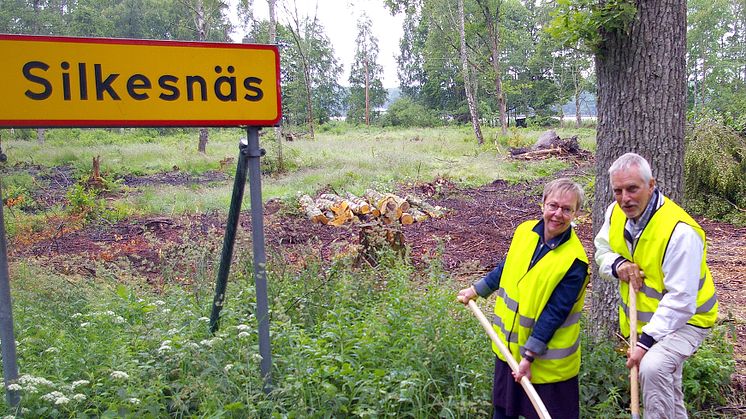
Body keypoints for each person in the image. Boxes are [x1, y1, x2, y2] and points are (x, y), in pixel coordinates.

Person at [594, 152, 718, 419]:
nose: (625, 198)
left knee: (654, 368)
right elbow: (601, 252)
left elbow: (682, 300)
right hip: (650, 322)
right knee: (667, 388)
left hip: (690, 318)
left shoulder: (680, 232)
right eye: (618, 190)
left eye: (632, 189)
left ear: (651, 185)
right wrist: (618, 265)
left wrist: (646, 342)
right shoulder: (614, 214)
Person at [457, 178, 589, 419]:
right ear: (542, 205)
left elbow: (554, 314)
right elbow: (506, 268)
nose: (558, 214)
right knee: (503, 412)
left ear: (576, 213)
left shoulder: (574, 262)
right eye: (553, 205)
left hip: (549, 364)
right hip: (509, 350)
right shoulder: (525, 232)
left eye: (567, 209)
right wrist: (476, 290)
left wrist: (529, 357)